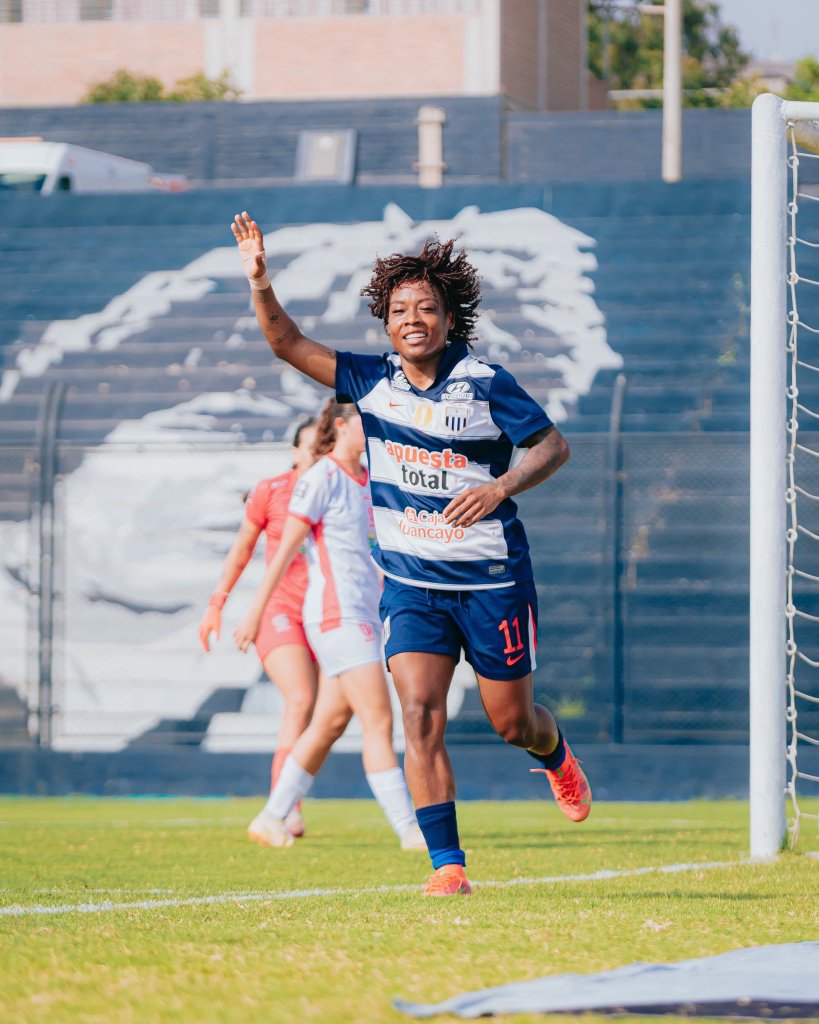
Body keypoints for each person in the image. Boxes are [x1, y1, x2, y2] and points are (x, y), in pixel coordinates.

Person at [230, 210, 591, 895]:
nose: (412, 319)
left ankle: (554, 753)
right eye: (399, 310)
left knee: (512, 722)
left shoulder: (485, 382)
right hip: (411, 585)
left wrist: (501, 486)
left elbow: (552, 446)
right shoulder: (370, 382)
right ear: (385, 322)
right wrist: (259, 281)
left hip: (490, 581)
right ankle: (447, 865)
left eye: (425, 307)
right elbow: (286, 343)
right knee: (419, 715)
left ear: (449, 317)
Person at [233, 397, 426, 852]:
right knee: (379, 721)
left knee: (328, 724)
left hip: (364, 614)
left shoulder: (370, 478)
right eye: (365, 422)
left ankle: (270, 816)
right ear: (341, 426)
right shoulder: (322, 477)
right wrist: (255, 612)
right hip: (338, 615)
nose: (373, 429)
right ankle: (411, 831)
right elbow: (285, 551)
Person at [198, 418, 319, 839]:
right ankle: (284, 810)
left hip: (325, 615)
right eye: (311, 446)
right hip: (278, 610)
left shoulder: (340, 488)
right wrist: (216, 605)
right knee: (300, 699)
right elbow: (241, 551)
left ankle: (287, 803)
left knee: (321, 715)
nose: (318, 454)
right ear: (295, 451)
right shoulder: (271, 491)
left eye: (324, 446)